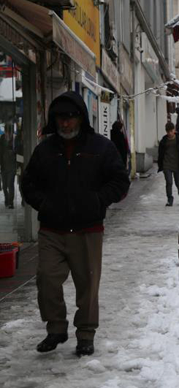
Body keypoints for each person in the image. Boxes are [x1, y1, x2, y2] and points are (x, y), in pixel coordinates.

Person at [21, 91, 130, 356]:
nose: (65, 124)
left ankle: (86, 334)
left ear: (80, 118)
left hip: (87, 229)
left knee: (88, 286)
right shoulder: (45, 150)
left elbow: (120, 182)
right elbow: (28, 184)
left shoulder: (101, 147)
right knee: (46, 278)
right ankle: (56, 328)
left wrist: (97, 201)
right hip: (52, 229)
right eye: (60, 118)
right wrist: (44, 204)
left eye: (70, 118)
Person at [158, 121, 179, 207]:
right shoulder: (163, 141)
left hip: (177, 164)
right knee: (169, 182)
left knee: (178, 183)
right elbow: (160, 153)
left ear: (174, 130)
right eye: (168, 132)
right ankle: (170, 199)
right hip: (167, 164)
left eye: (171, 131)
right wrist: (160, 163)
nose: (169, 133)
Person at [0, 123, 16, 208]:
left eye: (9, 132)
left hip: (12, 166)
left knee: (10, 184)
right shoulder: (2, 138)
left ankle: (11, 202)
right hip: (3, 166)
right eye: (6, 132)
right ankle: (7, 199)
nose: (7, 134)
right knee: (5, 185)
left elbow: (17, 151)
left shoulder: (14, 139)